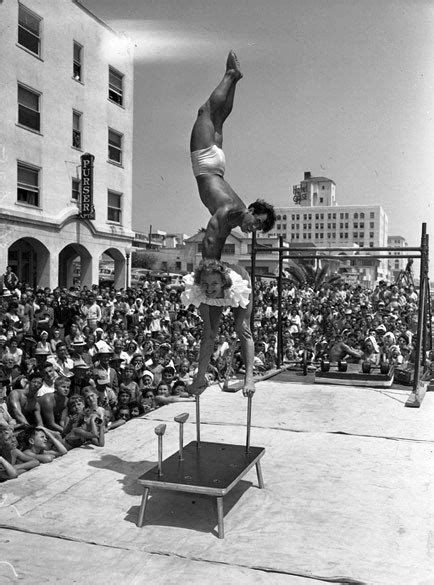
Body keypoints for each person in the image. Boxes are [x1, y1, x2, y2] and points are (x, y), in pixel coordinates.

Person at [190, 50, 276, 260]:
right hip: (206, 163)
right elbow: (210, 237)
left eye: (258, 228)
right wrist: (208, 270)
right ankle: (231, 75)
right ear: (250, 210)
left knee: (217, 118)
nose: (253, 229)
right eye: (256, 222)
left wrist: (216, 265)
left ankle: (234, 77)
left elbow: (218, 240)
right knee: (207, 112)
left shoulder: (235, 217)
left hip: (216, 166)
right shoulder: (230, 210)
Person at [181, 259, 255, 396]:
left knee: (242, 328)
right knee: (209, 332)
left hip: (238, 282)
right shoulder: (198, 290)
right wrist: (200, 376)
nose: (209, 289)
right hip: (218, 288)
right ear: (199, 283)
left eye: (214, 284)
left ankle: (249, 378)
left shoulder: (237, 286)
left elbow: (244, 332)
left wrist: (248, 378)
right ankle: (200, 378)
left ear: (222, 283)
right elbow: (208, 335)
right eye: (205, 284)